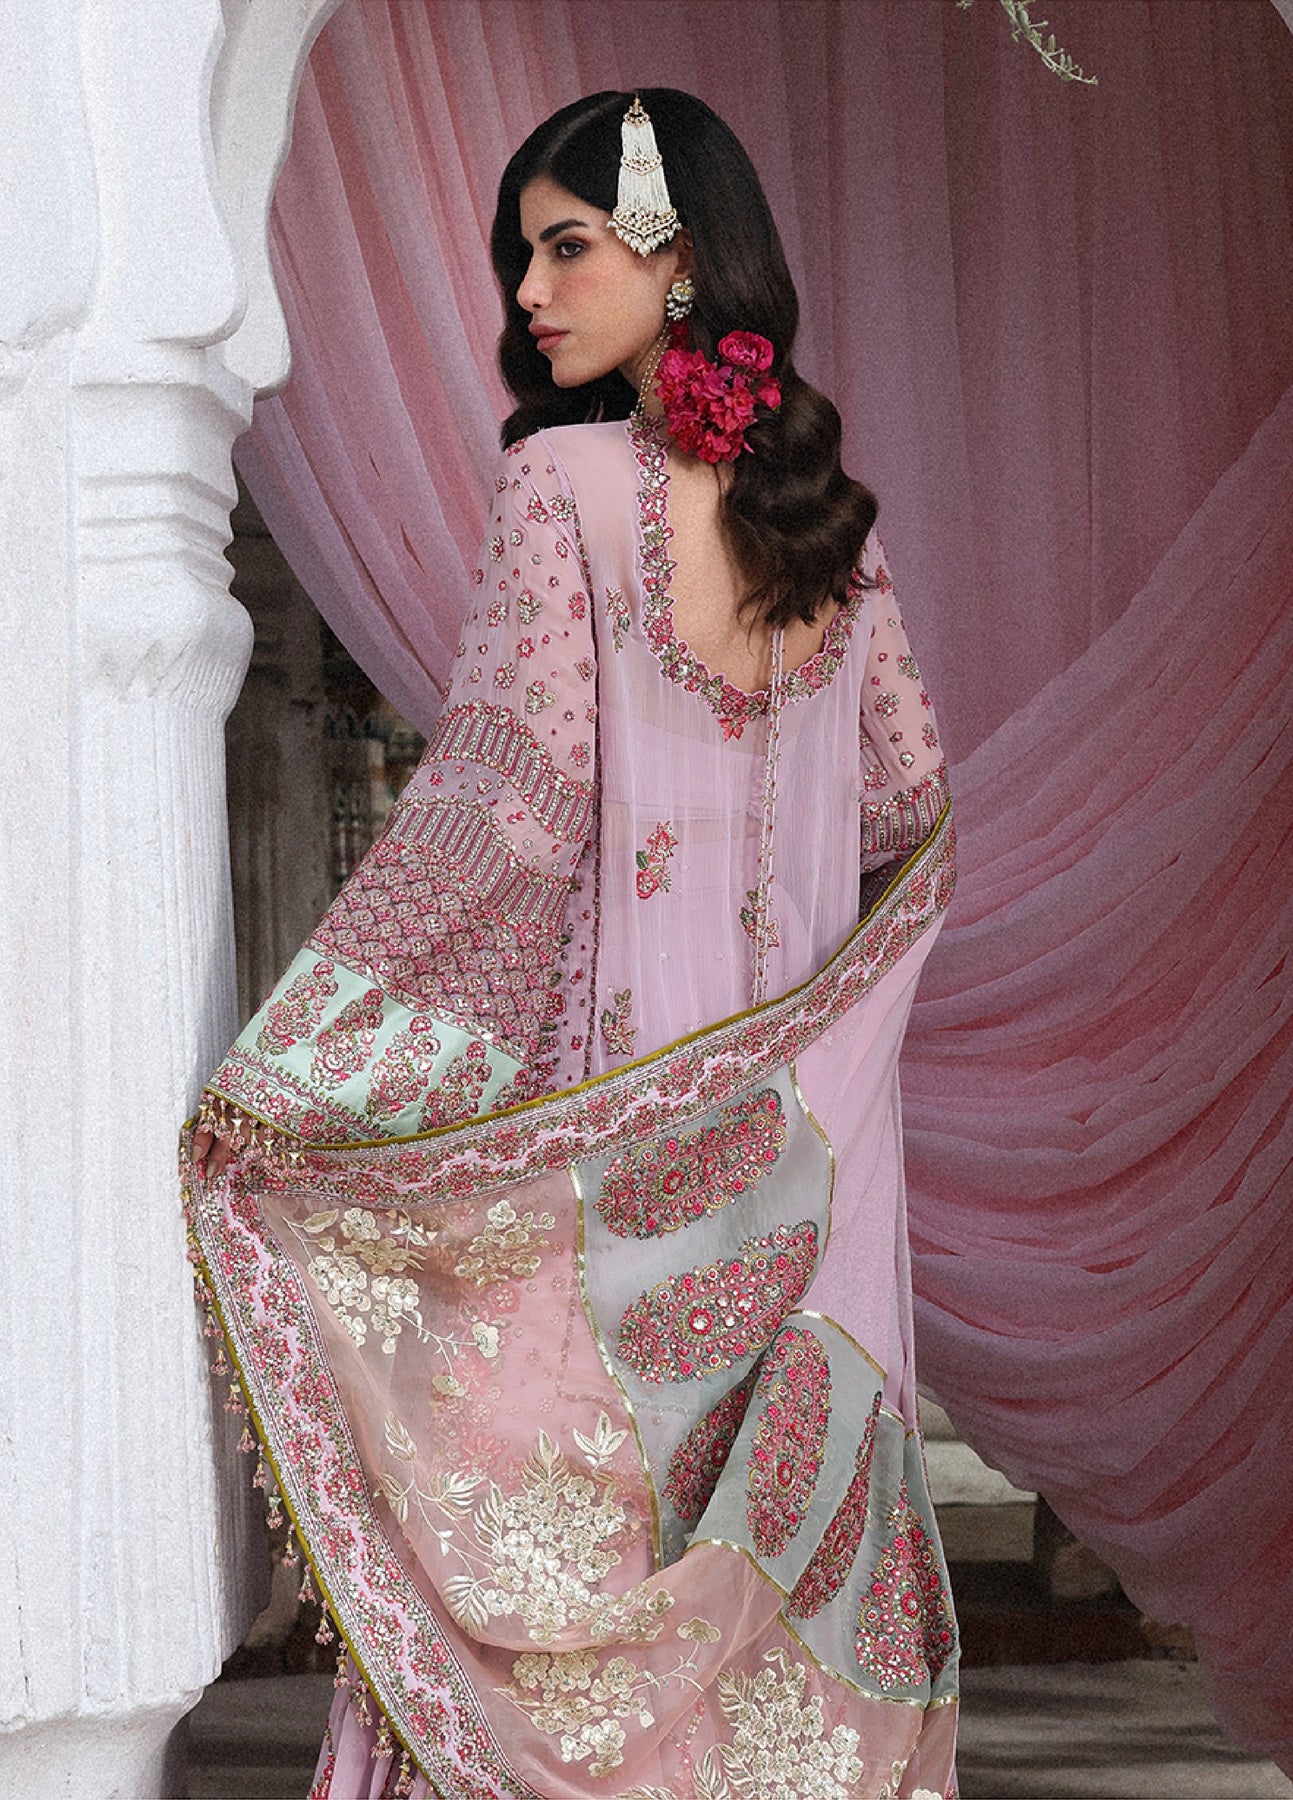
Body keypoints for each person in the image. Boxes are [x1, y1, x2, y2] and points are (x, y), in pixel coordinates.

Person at [188, 89, 958, 1800]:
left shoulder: (563, 482)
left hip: (605, 1121)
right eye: (518, 258)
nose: (528, 292)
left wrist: (313, 1060)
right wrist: (809, 993)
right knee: (771, 1549)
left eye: (565, 246)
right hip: (804, 1152)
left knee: (559, 1540)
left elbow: (510, 809)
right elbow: (914, 807)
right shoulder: (835, 523)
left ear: (681, 259)